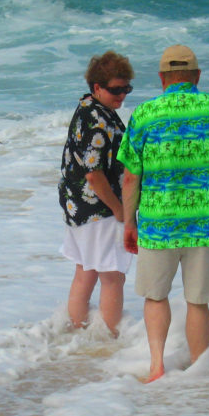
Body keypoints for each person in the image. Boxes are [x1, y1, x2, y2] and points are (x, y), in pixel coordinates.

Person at [117, 44, 209, 382]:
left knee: (156, 296)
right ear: (197, 76)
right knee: (198, 301)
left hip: (158, 221)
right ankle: (199, 369)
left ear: (162, 79)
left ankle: (156, 367)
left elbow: (130, 177)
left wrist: (129, 222)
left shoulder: (145, 114)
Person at [59, 51, 135, 334]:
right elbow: (94, 174)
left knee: (86, 271)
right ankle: (110, 341)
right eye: (116, 90)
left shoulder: (88, 106)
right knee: (113, 277)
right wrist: (119, 209)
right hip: (98, 208)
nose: (122, 95)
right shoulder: (98, 122)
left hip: (77, 206)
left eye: (126, 88)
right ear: (97, 87)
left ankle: (78, 335)